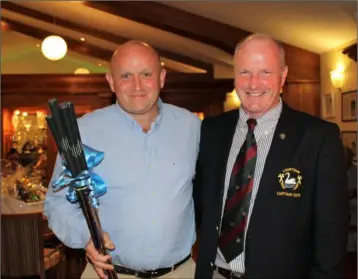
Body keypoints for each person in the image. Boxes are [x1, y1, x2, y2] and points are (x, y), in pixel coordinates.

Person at [193, 34, 349, 279]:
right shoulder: (211, 131)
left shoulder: (318, 138)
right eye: (245, 72)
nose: (253, 83)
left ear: (283, 76)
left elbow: (332, 232)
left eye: (265, 72)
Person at [44, 41, 201, 279]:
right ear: (111, 81)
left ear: (162, 77)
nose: (137, 85)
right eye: (126, 75)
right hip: (108, 274)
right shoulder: (83, 132)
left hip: (182, 273)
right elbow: (57, 203)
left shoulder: (192, 127)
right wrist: (86, 237)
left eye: (146, 74)